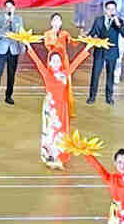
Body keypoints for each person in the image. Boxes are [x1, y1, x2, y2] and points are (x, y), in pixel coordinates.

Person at [24, 19, 93, 169]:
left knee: (61, 131)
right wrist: (28, 45)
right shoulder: (46, 74)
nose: (55, 62)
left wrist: (88, 47)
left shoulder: (64, 73)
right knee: (50, 131)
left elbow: (75, 63)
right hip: (50, 108)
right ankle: (49, 156)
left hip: (62, 108)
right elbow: (37, 61)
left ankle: (60, 156)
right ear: (50, 63)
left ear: (61, 63)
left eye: (57, 60)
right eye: (53, 60)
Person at [87, 0, 124, 106]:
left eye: (113, 9)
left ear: (116, 10)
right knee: (95, 74)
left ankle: (109, 97)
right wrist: (88, 36)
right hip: (99, 51)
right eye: (109, 9)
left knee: (110, 75)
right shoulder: (98, 20)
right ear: (105, 10)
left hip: (112, 52)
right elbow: (93, 32)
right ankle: (92, 96)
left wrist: (118, 24)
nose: (111, 11)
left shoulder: (119, 21)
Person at [0, 0, 23, 106]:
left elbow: (18, 33)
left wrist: (12, 20)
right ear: (4, 8)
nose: (9, 9)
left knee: (11, 74)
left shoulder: (18, 19)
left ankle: (9, 96)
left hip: (13, 50)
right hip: (1, 50)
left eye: (11, 7)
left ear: (14, 8)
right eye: (7, 7)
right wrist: (6, 23)